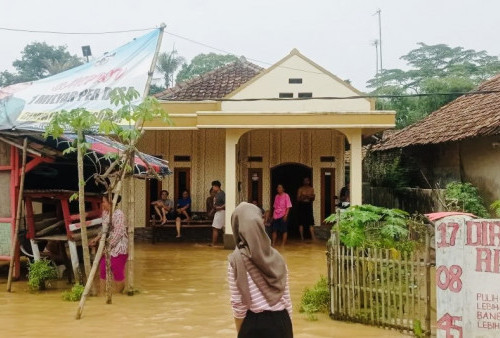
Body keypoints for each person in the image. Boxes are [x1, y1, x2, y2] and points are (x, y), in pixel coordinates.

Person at [228, 202, 293, 338]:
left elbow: (238, 304)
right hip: (283, 322)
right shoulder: (277, 257)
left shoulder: (236, 260)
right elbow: (286, 298)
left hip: (254, 325)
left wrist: (241, 332)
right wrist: (287, 328)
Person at [89, 194, 128, 294]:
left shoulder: (119, 214)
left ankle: (119, 296)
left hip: (119, 246)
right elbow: (104, 229)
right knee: (103, 269)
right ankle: (102, 294)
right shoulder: (105, 213)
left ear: (111, 202)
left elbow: (118, 233)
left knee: (117, 270)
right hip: (107, 244)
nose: (102, 204)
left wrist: (107, 248)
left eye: (104, 202)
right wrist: (97, 239)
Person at [211, 180, 225, 246]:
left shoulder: (222, 194)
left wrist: (220, 207)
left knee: (215, 228)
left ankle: (214, 243)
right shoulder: (217, 194)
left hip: (221, 212)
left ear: (217, 187)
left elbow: (226, 203)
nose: (213, 188)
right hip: (218, 212)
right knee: (222, 228)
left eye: (213, 187)